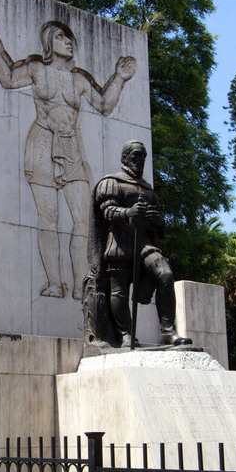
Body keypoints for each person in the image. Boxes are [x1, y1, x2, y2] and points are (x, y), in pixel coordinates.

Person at [0, 5, 137, 299]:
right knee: (47, 216)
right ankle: (53, 282)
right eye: (62, 37)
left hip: (71, 146)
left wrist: (120, 79)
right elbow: (8, 78)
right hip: (41, 142)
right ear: (50, 44)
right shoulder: (37, 69)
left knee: (84, 220)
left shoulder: (80, 79)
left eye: (70, 38)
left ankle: (80, 284)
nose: (69, 42)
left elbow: (104, 105)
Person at [84, 139, 192, 349]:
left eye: (143, 157)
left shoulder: (148, 189)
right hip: (120, 244)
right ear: (124, 158)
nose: (140, 161)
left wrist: (157, 220)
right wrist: (129, 212)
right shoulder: (111, 182)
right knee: (120, 292)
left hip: (143, 243)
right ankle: (125, 334)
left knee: (165, 274)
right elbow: (108, 213)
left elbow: (161, 228)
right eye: (135, 156)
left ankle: (168, 332)